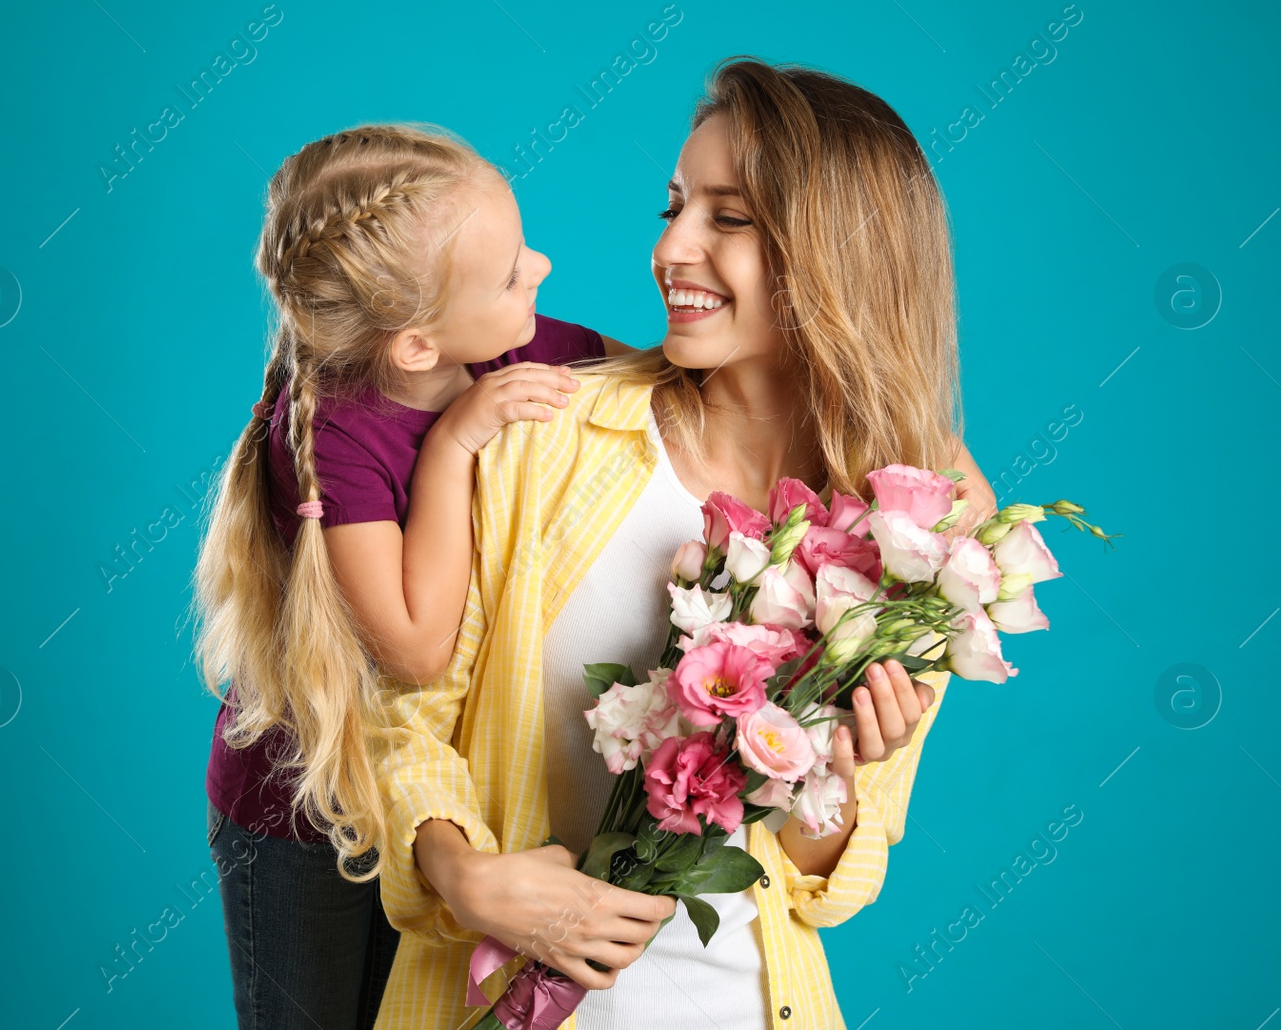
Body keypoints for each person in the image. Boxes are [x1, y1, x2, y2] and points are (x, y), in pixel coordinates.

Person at [372, 57, 998, 1029]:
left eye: (729, 218)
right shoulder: (545, 434)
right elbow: (400, 715)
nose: (673, 249)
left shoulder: (903, 540)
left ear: (838, 252)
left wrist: (834, 775)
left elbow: (823, 886)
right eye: (672, 208)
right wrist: (464, 874)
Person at [190, 123, 629, 1029]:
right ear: (418, 346)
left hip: (426, 805)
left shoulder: (509, 343)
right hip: (300, 810)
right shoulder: (333, 436)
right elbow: (418, 648)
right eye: (509, 271)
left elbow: (672, 389)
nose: (540, 265)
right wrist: (458, 444)